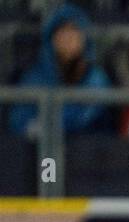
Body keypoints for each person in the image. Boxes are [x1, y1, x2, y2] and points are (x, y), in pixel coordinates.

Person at [7, 3, 111, 137]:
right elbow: (19, 118)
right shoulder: (35, 76)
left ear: (84, 39)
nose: (68, 38)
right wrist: (34, 127)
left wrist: (56, 125)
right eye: (62, 32)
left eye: (74, 32)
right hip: (41, 152)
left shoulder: (96, 77)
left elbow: (95, 116)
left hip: (88, 149)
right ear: (51, 39)